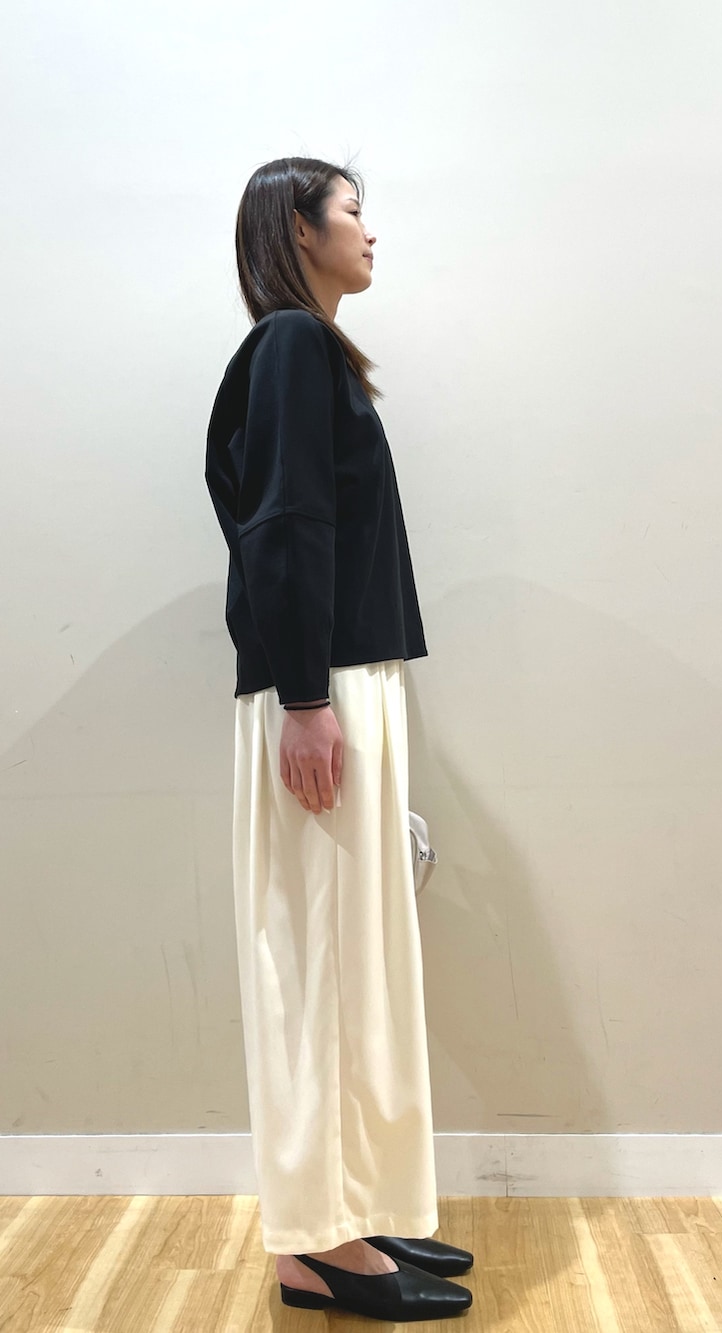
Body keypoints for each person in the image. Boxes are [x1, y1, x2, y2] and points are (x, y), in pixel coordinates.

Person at [204, 156, 474, 1321]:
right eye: (354, 212)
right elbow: (285, 524)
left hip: (337, 683)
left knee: (347, 958)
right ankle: (317, 1240)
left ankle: (346, 1212)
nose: (371, 233)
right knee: (319, 963)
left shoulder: (308, 352)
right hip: (319, 691)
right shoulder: (288, 347)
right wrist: (308, 701)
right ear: (299, 230)